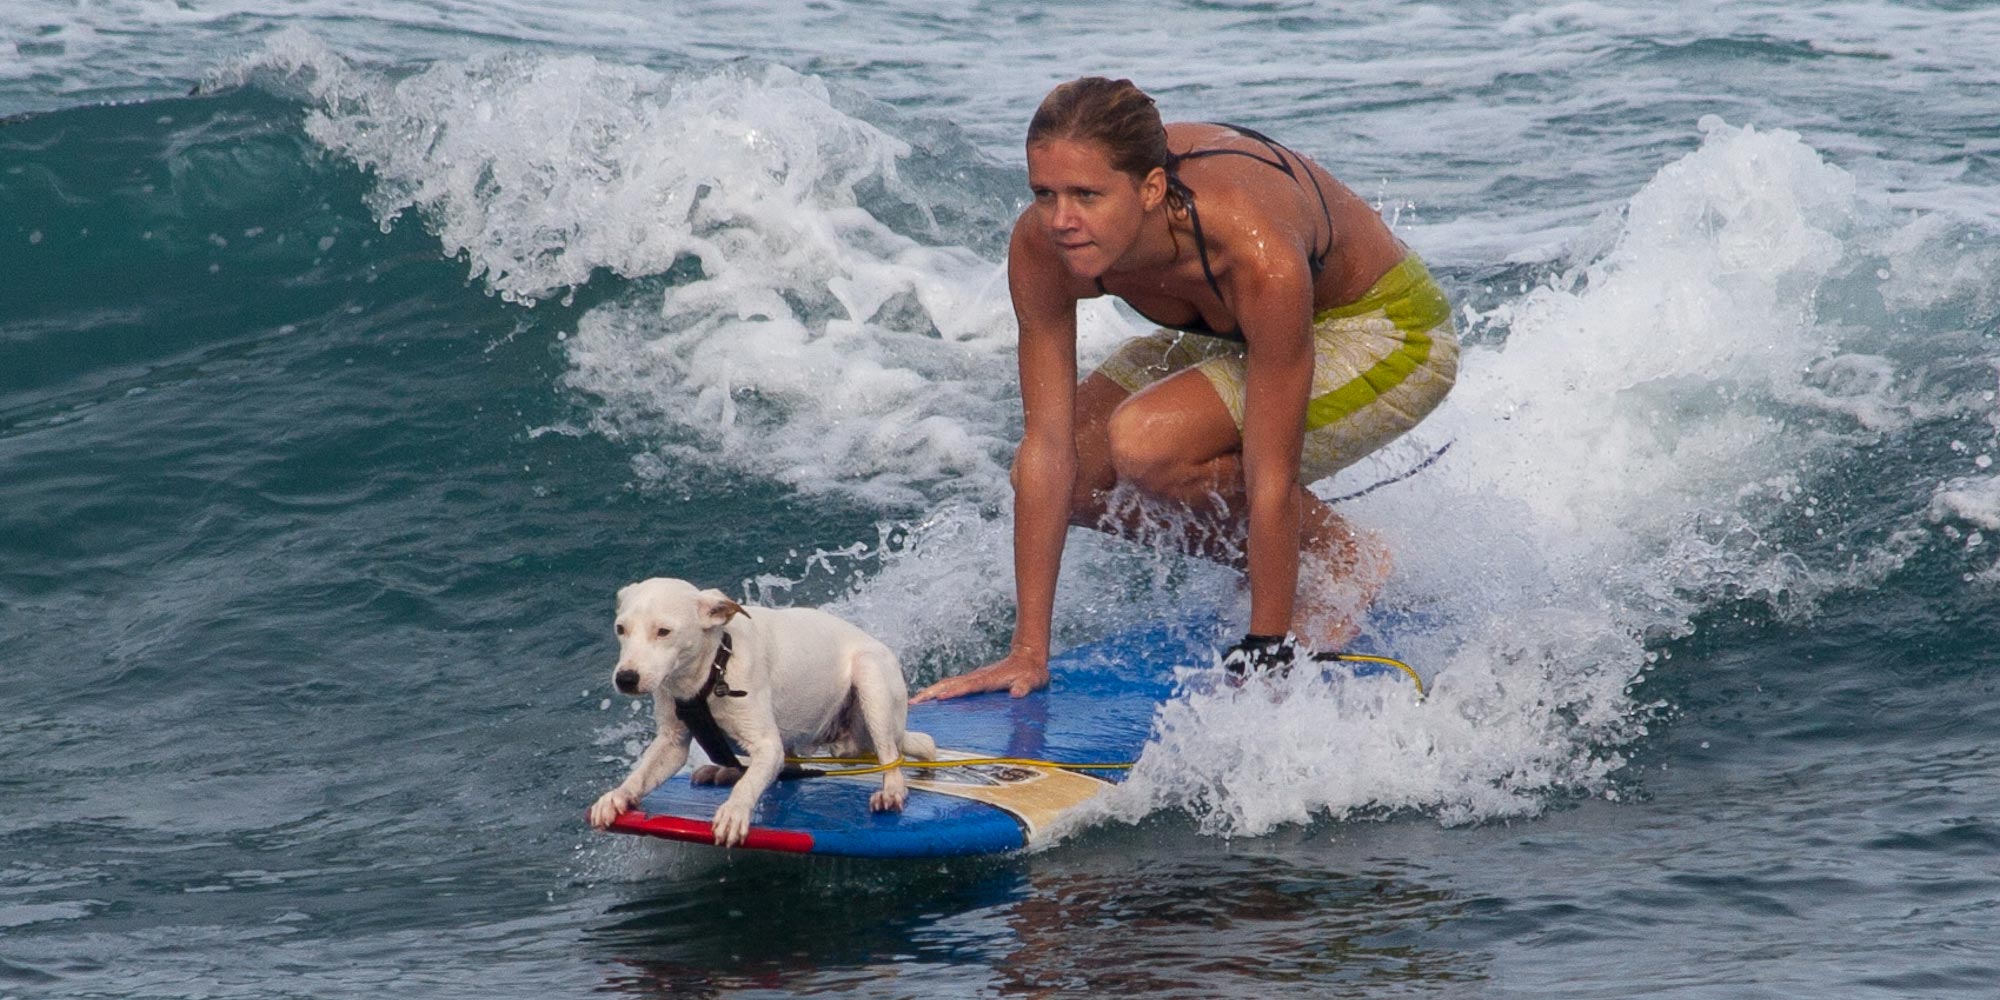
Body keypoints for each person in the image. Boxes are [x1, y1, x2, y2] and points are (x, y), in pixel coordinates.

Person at [911, 77, 1457, 703]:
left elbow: (1270, 471)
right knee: (1079, 476)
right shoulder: (1044, 246)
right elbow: (1047, 450)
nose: (1061, 221)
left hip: (1382, 333)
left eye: (1086, 195)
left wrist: (1267, 647)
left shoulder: (1252, 249)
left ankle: (1341, 557)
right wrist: (1027, 653)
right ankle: (1296, 560)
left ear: (1149, 188)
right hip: (1232, 330)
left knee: (1147, 442)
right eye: (1044, 194)